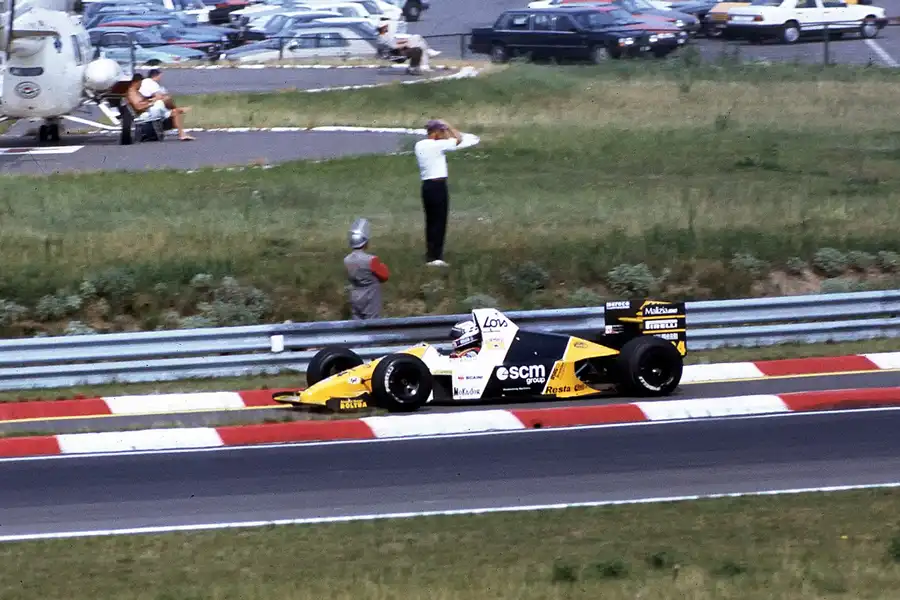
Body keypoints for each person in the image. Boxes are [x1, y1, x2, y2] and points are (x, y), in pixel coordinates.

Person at [414, 119, 462, 267]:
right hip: (438, 186)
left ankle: (430, 254)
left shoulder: (419, 145)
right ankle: (437, 257)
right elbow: (458, 139)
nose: (443, 134)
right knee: (439, 220)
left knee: (430, 221)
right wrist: (448, 126)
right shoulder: (437, 145)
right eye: (441, 132)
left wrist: (443, 130)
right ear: (435, 133)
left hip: (427, 186)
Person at [344, 218, 390, 320]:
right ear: (364, 243)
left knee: (357, 323)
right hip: (370, 298)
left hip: (355, 297)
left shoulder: (346, 260)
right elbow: (385, 276)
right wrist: (382, 265)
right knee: (373, 324)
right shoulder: (372, 260)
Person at [137, 68, 195, 141]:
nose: (160, 79)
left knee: (174, 109)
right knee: (174, 109)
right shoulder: (150, 82)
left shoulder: (147, 83)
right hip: (152, 111)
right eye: (160, 76)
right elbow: (159, 96)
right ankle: (182, 134)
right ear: (157, 76)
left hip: (151, 110)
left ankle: (179, 130)